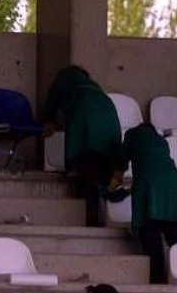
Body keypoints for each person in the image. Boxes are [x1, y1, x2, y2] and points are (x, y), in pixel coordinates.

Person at [40, 65, 123, 227]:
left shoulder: (65, 80)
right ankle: (104, 213)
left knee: (89, 175)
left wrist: (48, 121)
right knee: (103, 173)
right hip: (110, 120)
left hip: (86, 122)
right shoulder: (94, 87)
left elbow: (51, 101)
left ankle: (92, 222)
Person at [109, 116, 177, 284]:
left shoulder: (133, 135)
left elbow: (121, 164)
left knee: (151, 232)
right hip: (172, 187)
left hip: (149, 185)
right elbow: (156, 171)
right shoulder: (161, 142)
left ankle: (157, 280)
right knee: (176, 234)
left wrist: (110, 188)